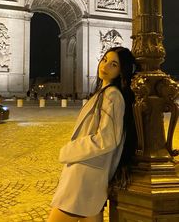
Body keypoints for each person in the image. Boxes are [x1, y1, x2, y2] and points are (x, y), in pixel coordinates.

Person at [47, 46, 136, 222]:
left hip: (85, 173)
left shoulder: (112, 95)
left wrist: (70, 150)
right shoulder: (103, 93)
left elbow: (107, 139)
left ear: (121, 71)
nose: (105, 66)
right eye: (104, 60)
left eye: (114, 64)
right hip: (90, 172)